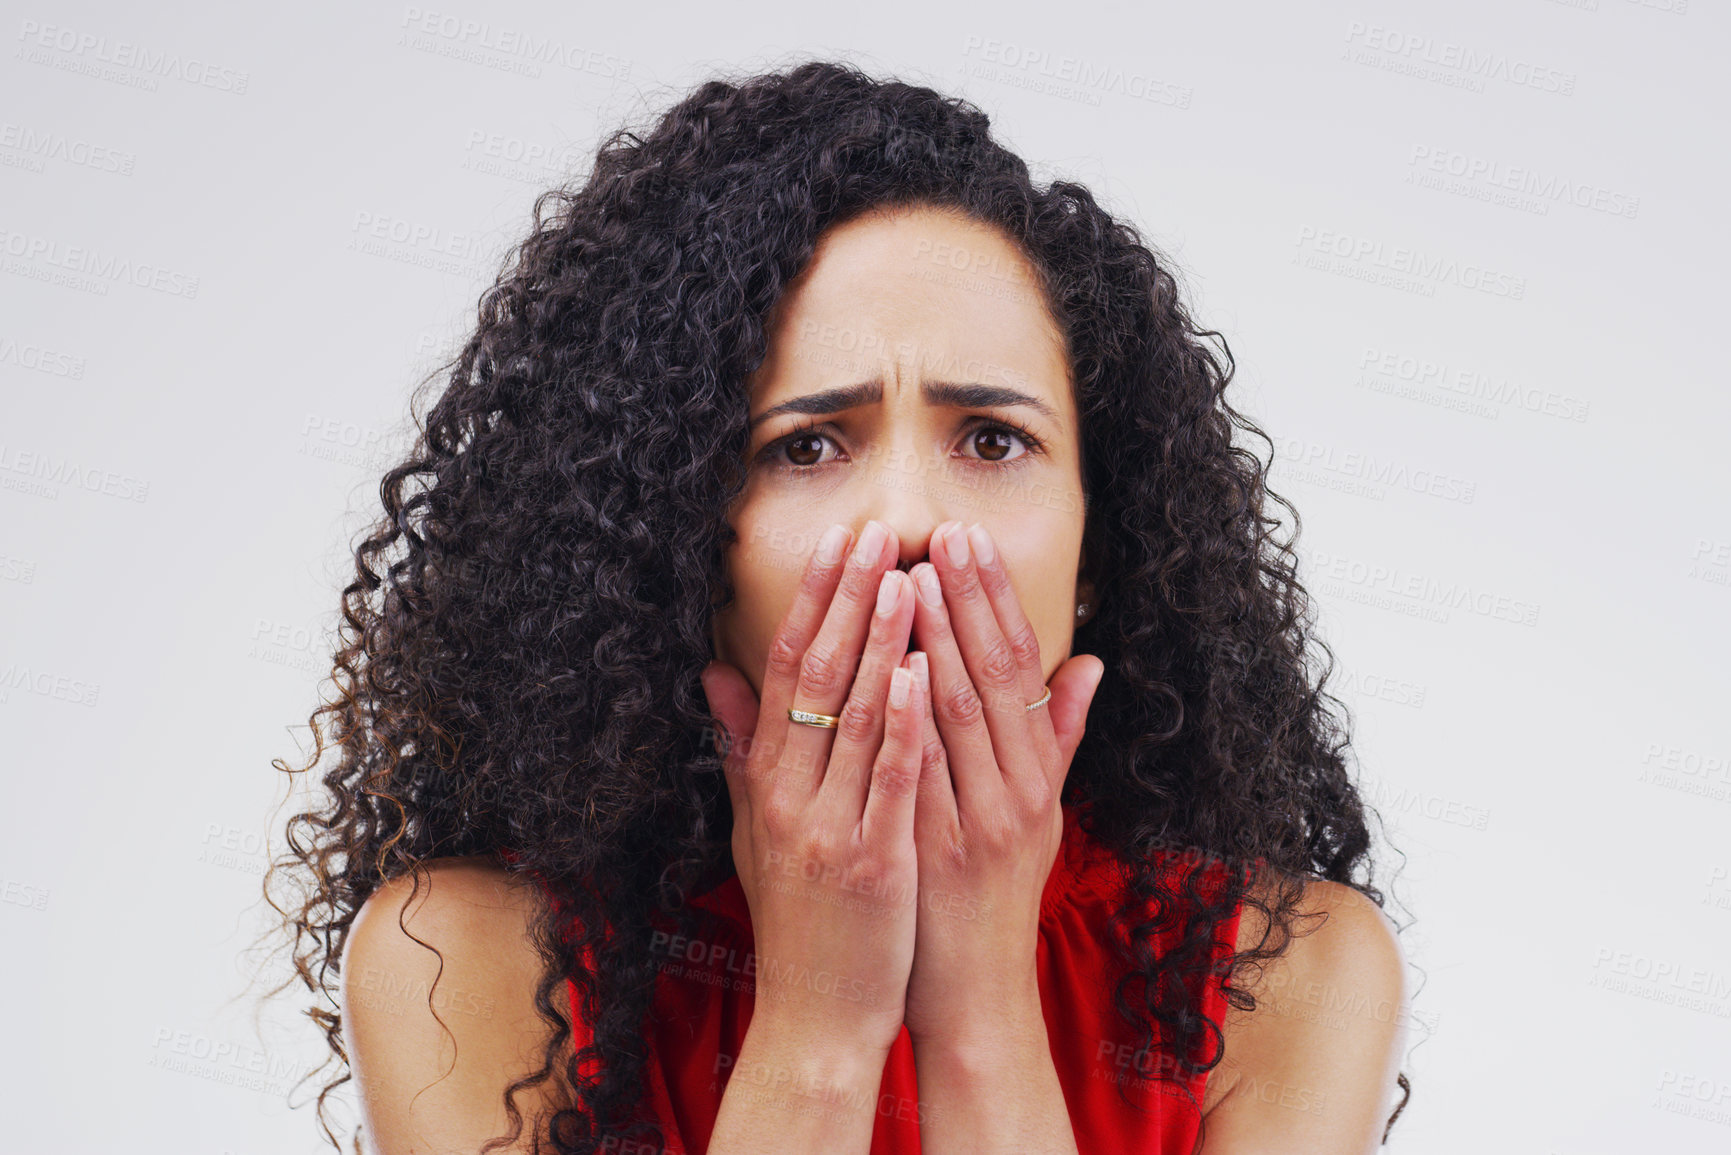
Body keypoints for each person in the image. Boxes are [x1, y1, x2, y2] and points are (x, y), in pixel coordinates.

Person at [264, 59, 1412, 1155]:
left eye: (994, 439)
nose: (907, 520)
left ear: (1099, 548)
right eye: (807, 445)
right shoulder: (463, 963)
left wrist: (980, 1019)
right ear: (679, 547)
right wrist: (819, 1029)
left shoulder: (1289, 977)